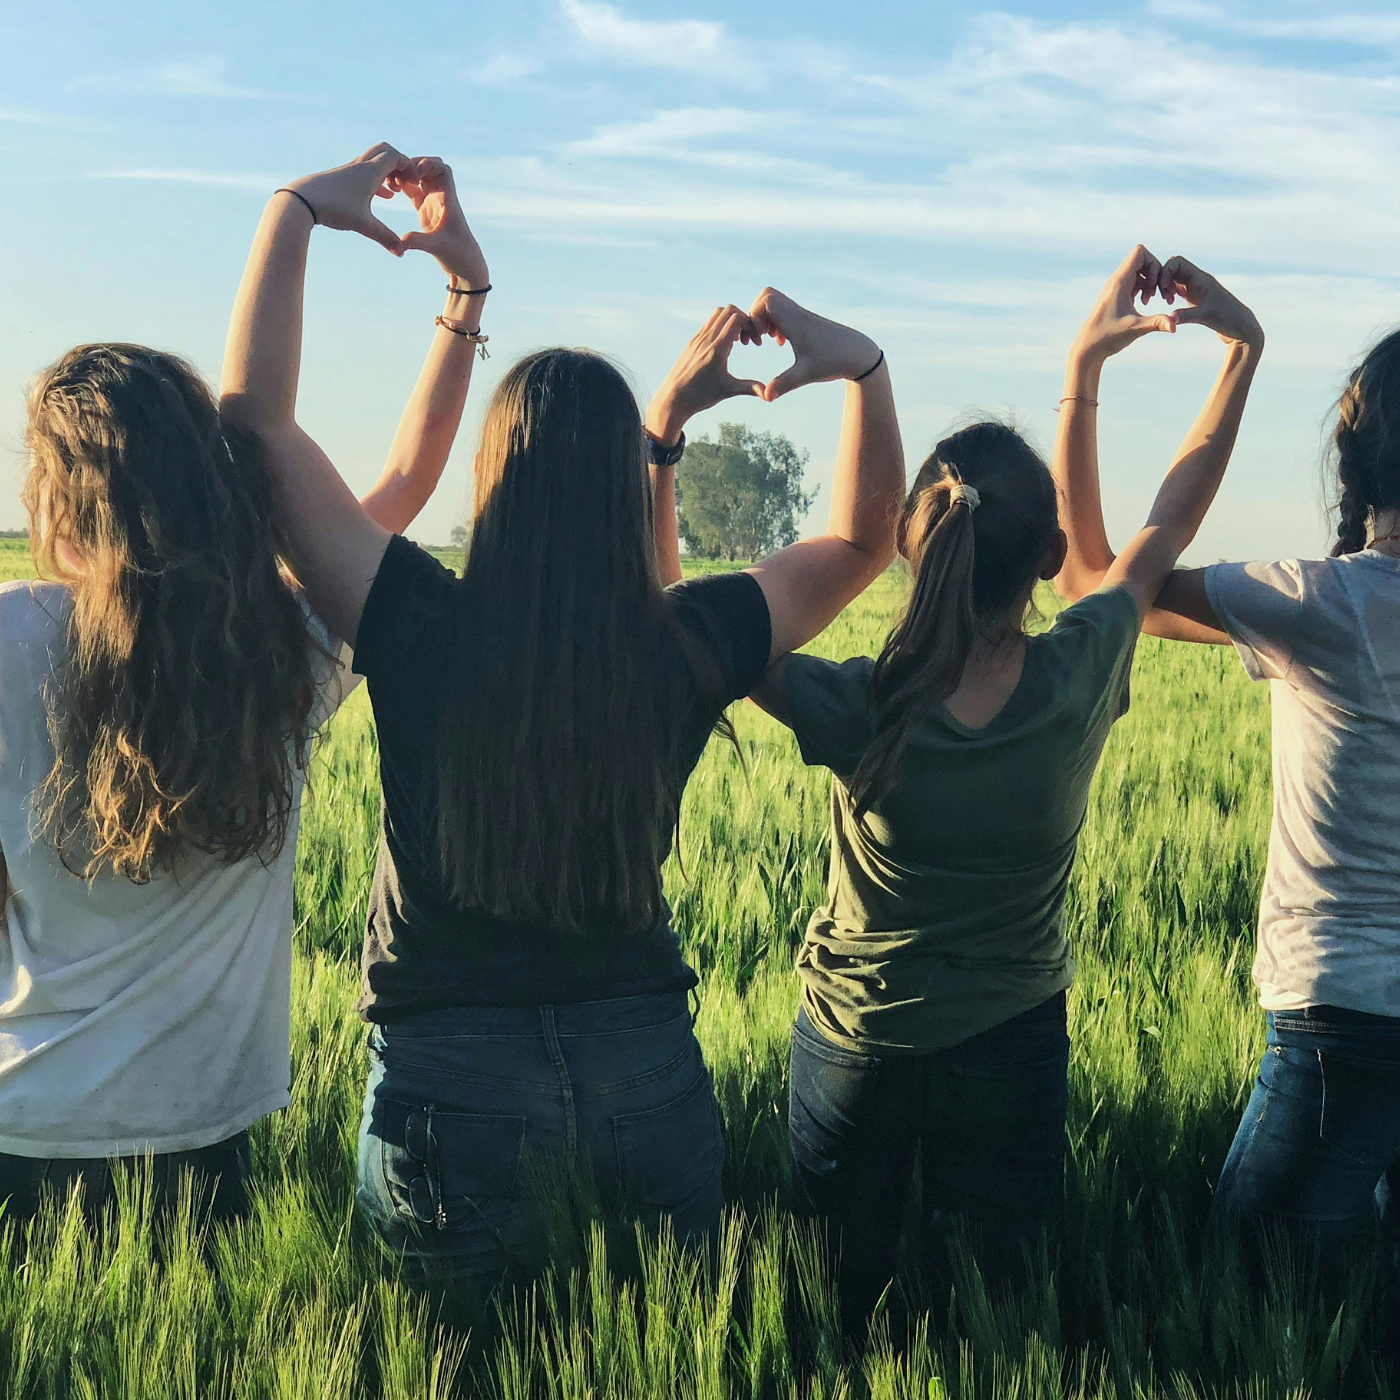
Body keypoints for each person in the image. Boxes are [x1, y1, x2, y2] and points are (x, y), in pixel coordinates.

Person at [218, 143, 908, 1297]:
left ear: (493, 480)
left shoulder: (416, 618)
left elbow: (254, 431)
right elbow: (861, 536)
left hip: (447, 1085)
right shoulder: (685, 641)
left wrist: (292, 210)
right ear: (612, 491)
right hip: (646, 1073)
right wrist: (863, 370)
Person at [749, 245, 1262, 1328]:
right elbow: (1166, 514)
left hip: (857, 1042)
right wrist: (1225, 354)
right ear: (1047, 557)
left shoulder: (863, 701)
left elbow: (698, 633)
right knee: (1002, 1315)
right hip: (1013, 1040)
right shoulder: (1079, 669)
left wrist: (664, 439)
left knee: (830, 1316)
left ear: (909, 548)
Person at [0, 154, 488, 1224]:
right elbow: (401, 484)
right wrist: (457, 297)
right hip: (204, 1135)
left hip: (23, 1122)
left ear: (56, 500)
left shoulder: (6, 640)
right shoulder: (277, 648)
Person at [1054, 260, 1400, 1277]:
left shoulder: (1323, 603)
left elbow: (1092, 582)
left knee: (1251, 1295)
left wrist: (1095, 369)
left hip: (1339, 1014)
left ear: (1355, 452)